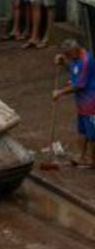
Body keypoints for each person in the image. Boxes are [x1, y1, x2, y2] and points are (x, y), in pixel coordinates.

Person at [53, 39, 95, 168]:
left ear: (75, 51)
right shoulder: (76, 59)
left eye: (68, 55)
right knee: (82, 130)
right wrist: (64, 62)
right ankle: (81, 156)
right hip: (82, 103)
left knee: (92, 133)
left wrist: (60, 92)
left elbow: (79, 85)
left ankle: (93, 160)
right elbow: (74, 70)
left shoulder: (87, 61)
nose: (68, 57)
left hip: (91, 102)